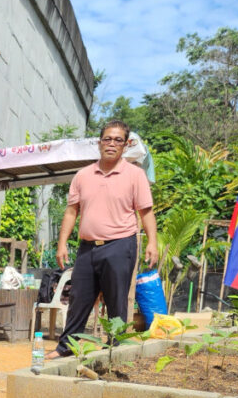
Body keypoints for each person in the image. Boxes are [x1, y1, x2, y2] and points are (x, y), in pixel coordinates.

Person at [47, 120, 158, 359]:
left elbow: (146, 212)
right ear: (99, 143)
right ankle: (66, 347)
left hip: (120, 245)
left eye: (118, 140)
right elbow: (71, 211)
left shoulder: (135, 175)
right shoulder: (83, 175)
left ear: (125, 145)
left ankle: (115, 350)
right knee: (78, 297)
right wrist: (62, 243)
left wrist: (152, 243)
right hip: (87, 248)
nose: (111, 144)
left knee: (116, 299)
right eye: (107, 139)